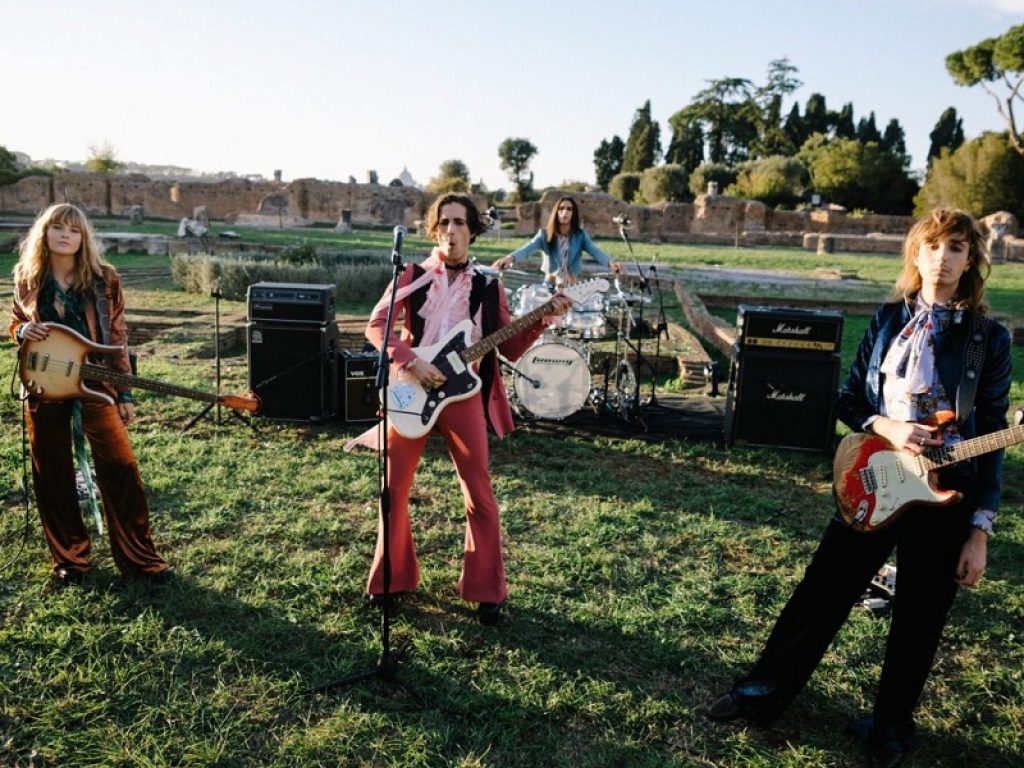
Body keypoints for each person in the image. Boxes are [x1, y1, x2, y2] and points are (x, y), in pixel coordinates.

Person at [707, 208, 1012, 768]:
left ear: (971, 261)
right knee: (820, 593)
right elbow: (849, 401)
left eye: (956, 249)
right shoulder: (888, 318)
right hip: (874, 477)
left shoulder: (987, 339)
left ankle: (890, 729)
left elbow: (993, 436)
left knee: (921, 616)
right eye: (933, 246)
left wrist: (981, 530)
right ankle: (760, 695)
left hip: (946, 495)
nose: (941, 260)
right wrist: (890, 426)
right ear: (915, 254)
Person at [362, 193, 572, 625]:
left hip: (463, 397)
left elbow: (508, 344)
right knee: (392, 487)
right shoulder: (412, 273)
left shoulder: (488, 283)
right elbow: (377, 325)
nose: (451, 231)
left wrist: (543, 317)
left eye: (459, 223)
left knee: (479, 494)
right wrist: (412, 361)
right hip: (411, 387)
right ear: (434, 229)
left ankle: (485, 589)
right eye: (444, 223)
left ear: (472, 230)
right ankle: (391, 579)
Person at [9, 203, 173, 586]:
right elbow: (16, 321)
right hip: (43, 385)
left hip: (96, 384)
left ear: (84, 238)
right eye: (58, 228)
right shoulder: (27, 277)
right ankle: (71, 559)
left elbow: (117, 338)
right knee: (52, 473)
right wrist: (21, 333)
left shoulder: (104, 279)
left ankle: (140, 559)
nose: (66, 235)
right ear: (44, 234)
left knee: (121, 468)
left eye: (74, 230)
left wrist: (125, 394)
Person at [491, 195, 622, 286]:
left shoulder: (580, 235)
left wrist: (611, 262)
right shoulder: (544, 234)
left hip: (573, 287)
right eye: (561, 208)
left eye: (569, 209)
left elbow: (595, 251)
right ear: (556, 212)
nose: (565, 212)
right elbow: (526, 249)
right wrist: (510, 258)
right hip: (550, 286)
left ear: (573, 213)